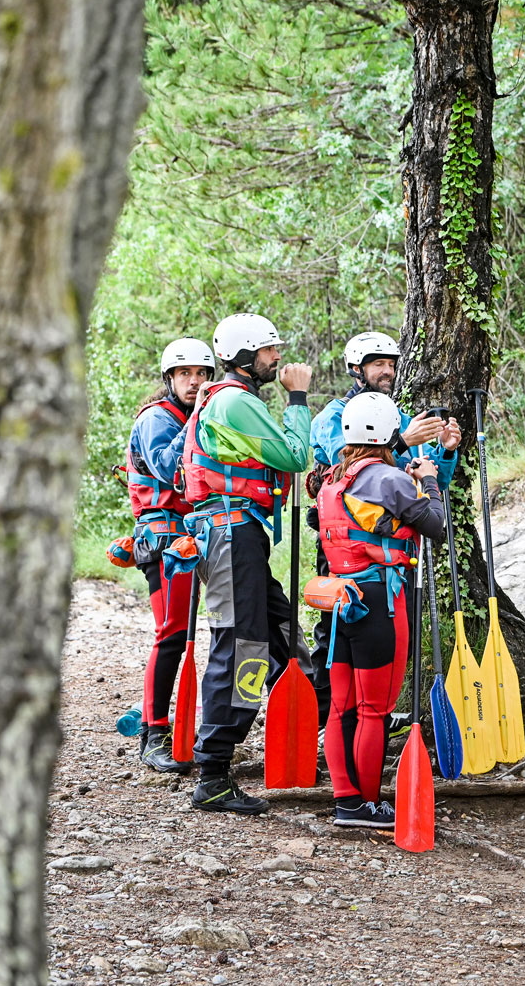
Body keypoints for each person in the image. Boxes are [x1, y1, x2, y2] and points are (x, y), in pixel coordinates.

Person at [181, 312, 313, 815]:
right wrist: (297, 398)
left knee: (278, 632)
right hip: (230, 533)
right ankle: (213, 772)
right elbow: (294, 456)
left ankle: (313, 719)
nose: (277, 360)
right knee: (241, 645)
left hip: (237, 533)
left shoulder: (224, 401)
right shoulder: (235, 402)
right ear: (242, 357)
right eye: (268, 352)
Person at [307, 330, 459, 727]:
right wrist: (403, 441)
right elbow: (348, 466)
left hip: (391, 552)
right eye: (378, 364)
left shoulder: (398, 417)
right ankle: (330, 719)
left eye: (391, 364)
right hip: (345, 545)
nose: (387, 371)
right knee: (335, 633)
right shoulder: (331, 418)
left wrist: (444, 451)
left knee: (388, 638)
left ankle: (373, 713)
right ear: (356, 369)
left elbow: (429, 484)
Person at [315, 392, 447, 828]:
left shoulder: (333, 480)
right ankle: (368, 806)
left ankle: (346, 800)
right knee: (374, 710)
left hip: (340, 603)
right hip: (379, 606)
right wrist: (428, 480)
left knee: (341, 708)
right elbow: (436, 526)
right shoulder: (390, 480)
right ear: (389, 432)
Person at [123, 337, 216, 773]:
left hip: (200, 532)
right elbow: (166, 466)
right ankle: (153, 732)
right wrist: (198, 414)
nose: (194, 382)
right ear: (170, 379)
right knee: (173, 633)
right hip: (164, 537)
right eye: (185, 375)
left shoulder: (191, 414)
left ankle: (202, 727)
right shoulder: (158, 418)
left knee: (210, 630)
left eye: (201, 374)